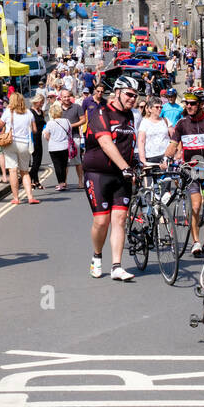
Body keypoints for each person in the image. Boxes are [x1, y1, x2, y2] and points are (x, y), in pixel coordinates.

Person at [82, 75, 142, 281]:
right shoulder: (101, 112)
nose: (133, 99)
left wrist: (136, 163)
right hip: (98, 174)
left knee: (120, 219)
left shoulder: (131, 116)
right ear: (117, 92)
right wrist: (126, 167)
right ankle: (97, 256)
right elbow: (106, 143)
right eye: (129, 94)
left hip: (122, 175)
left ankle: (117, 265)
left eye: (135, 96)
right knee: (102, 221)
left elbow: (129, 144)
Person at [165, 90, 204, 257]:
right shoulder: (182, 123)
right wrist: (166, 157)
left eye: (192, 103)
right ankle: (196, 242)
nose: (189, 106)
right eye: (187, 103)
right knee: (196, 205)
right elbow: (173, 145)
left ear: (201, 104)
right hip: (191, 170)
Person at [0, 91, 40, 205]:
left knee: (12, 171)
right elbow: (35, 130)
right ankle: (30, 197)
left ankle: (16, 198)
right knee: (25, 172)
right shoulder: (29, 113)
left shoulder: (8, 112)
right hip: (24, 144)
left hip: (10, 143)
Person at [58, 87, 87, 188]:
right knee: (64, 161)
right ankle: (64, 182)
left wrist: (71, 126)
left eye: (68, 96)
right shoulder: (58, 108)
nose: (66, 98)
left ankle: (80, 181)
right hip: (62, 139)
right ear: (61, 98)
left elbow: (83, 120)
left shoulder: (77, 107)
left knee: (77, 160)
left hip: (74, 137)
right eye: (64, 97)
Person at [44, 102, 74, 191]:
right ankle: (64, 183)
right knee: (64, 165)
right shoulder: (66, 121)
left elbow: (46, 136)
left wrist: (52, 140)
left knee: (57, 165)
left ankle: (60, 184)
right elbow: (70, 132)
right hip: (65, 146)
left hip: (53, 147)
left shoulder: (50, 123)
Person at [136, 100, 172, 168]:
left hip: (166, 157)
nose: (159, 109)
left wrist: (173, 154)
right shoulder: (144, 122)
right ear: (150, 109)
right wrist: (143, 159)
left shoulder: (165, 120)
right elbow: (141, 141)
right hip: (151, 158)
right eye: (157, 107)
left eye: (161, 107)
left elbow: (174, 138)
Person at [29, 92, 47, 190]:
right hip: (33, 138)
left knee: (38, 161)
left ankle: (36, 181)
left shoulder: (41, 112)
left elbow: (44, 123)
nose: (42, 104)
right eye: (41, 102)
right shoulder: (30, 112)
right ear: (36, 102)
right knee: (36, 161)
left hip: (39, 137)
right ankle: (29, 177)